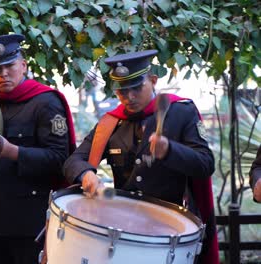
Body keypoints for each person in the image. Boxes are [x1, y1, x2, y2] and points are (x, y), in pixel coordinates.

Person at [63, 50, 219, 263]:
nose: (130, 97)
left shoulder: (181, 112)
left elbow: (206, 164)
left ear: (153, 80)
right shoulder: (111, 123)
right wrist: (86, 174)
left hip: (170, 230)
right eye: (122, 91)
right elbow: (74, 160)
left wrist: (170, 151)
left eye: (137, 88)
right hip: (123, 231)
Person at [0, 34, 75, 264]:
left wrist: (12, 151)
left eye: (9, 66)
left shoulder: (46, 102)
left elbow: (61, 158)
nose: (3, 74)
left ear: (23, 65)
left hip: (30, 223)